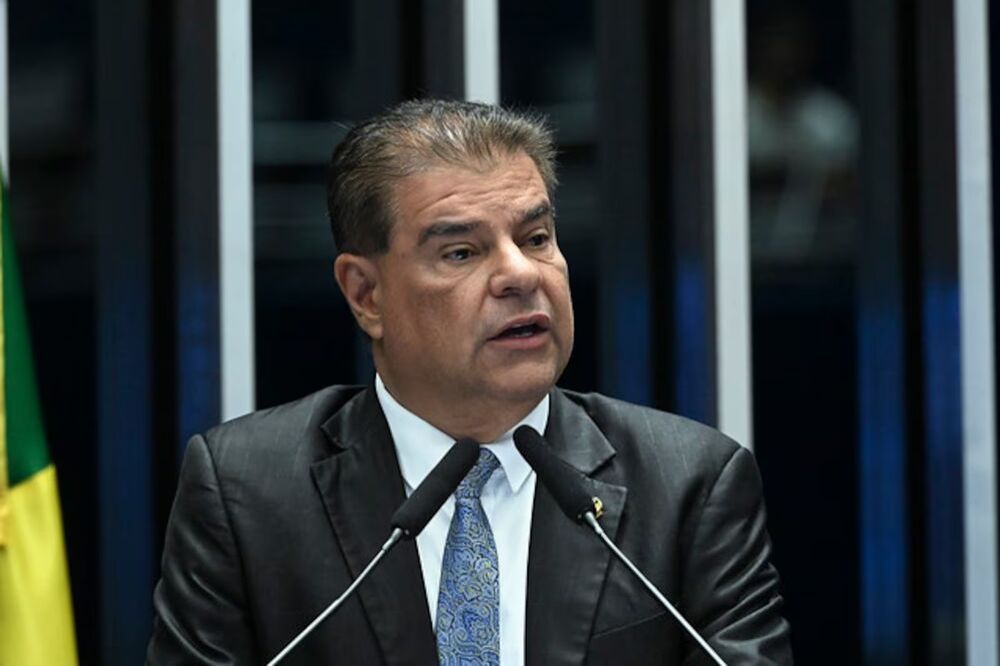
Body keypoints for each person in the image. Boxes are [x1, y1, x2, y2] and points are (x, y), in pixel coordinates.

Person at [147, 100, 792, 665]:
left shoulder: (688, 485)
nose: (521, 274)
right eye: (461, 252)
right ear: (366, 294)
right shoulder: (247, 492)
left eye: (535, 238)